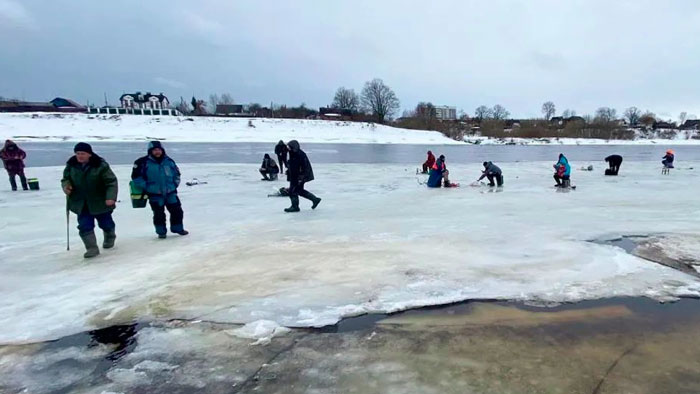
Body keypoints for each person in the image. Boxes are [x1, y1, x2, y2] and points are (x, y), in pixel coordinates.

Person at [61, 142, 118, 258]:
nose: (80, 156)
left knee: (106, 223)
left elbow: (111, 182)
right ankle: (91, 248)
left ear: (89, 154)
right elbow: (65, 179)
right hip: (81, 202)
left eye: (83, 153)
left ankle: (110, 236)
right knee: (84, 225)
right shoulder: (71, 165)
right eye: (78, 153)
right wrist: (66, 186)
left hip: (100, 201)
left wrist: (111, 197)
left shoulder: (101, 165)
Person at [131, 141, 188, 239]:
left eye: (159, 150)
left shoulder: (169, 161)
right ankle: (161, 232)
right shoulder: (142, 162)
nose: (157, 152)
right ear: (150, 151)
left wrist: (174, 185)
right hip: (155, 194)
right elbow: (136, 177)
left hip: (170, 192)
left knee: (177, 211)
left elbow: (177, 174)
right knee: (159, 215)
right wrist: (147, 187)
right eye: (154, 150)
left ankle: (178, 228)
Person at [285, 140, 321, 212]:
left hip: (299, 177)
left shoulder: (300, 154)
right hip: (295, 176)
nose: (287, 148)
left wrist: (301, 178)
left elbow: (304, 167)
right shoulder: (292, 153)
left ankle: (295, 207)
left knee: (293, 191)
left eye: (289, 147)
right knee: (299, 191)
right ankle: (315, 199)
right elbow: (293, 165)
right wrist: (288, 171)